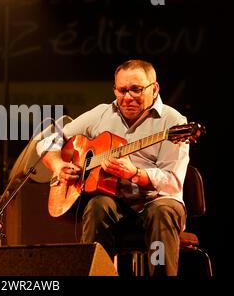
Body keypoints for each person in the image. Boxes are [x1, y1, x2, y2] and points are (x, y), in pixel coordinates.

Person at [36, 59, 189, 276]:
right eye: (122, 90)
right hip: (116, 202)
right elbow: (48, 139)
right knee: (98, 206)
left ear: (154, 89)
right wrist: (58, 164)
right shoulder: (101, 114)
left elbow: (173, 182)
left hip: (156, 200)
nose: (127, 98)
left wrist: (136, 174)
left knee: (162, 211)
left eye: (136, 90)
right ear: (114, 89)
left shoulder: (173, 122)